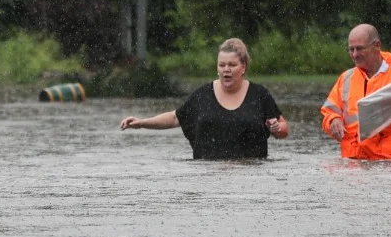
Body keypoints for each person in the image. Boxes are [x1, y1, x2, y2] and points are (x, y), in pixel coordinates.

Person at [119, 38, 289, 159]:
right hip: (209, 179)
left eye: (232, 65)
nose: (226, 70)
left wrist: (276, 129)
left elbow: (283, 129)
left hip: (252, 178)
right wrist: (141, 123)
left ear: (243, 67)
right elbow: (174, 118)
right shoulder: (203, 95)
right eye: (222, 65)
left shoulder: (259, 95)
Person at [321, 23, 391, 160]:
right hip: (355, 164)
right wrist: (333, 120)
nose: (355, 55)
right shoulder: (346, 78)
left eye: (360, 49)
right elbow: (328, 113)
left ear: (377, 45)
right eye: (351, 49)